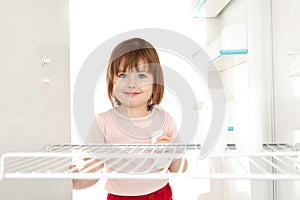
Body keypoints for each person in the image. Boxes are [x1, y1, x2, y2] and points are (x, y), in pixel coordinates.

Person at [72, 38, 188, 199]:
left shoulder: (165, 120)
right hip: (119, 196)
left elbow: (180, 168)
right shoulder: (103, 122)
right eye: (123, 75)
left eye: (141, 75)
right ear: (112, 80)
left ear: (155, 83)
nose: (132, 83)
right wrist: (75, 182)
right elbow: (94, 168)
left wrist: (171, 153)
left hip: (159, 194)